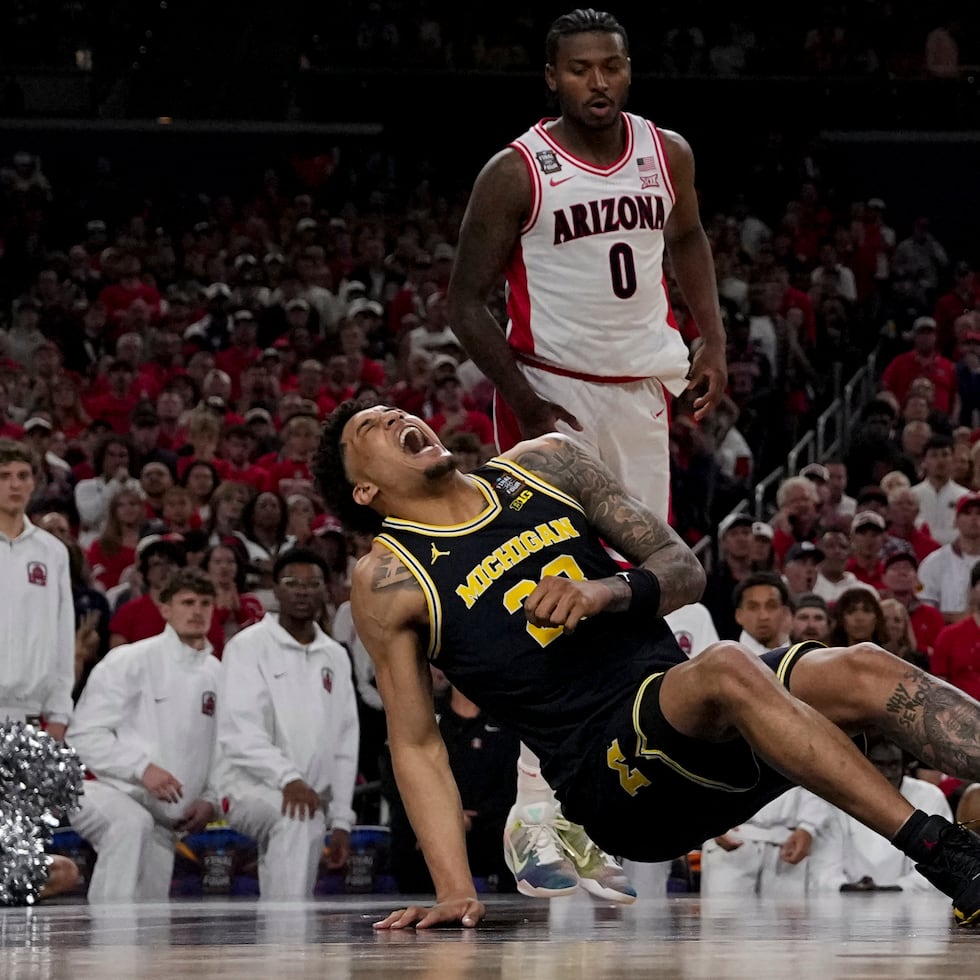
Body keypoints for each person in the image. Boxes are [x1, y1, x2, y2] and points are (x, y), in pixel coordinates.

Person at [316, 402, 980, 930]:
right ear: (364, 488)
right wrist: (454, 889)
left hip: (694, 715)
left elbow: (684, 569)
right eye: (371, 427)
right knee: (725, 665)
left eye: (396, 411)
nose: (396, 418)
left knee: (863, 667)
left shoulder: (546, 463)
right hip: (613, 781)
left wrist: (604, 592)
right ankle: (948, 856)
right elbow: (416, 742)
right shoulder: (389, 580)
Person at [444, 9, 728, 901]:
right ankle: (533, 810)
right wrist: (527, 402)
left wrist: (712, 336)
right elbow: (463, 303)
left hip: (640, 389)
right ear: (551, 78)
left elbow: (688, 239)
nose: (597, 82)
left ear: (629, 70)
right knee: (557, 586)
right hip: (553, 395)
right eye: (579, 69)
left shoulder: (666, 151)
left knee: (641, 588)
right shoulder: (515, 171)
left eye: (611, 66)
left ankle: (582, 806)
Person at [66, 568, 223, 902]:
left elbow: (221, 748)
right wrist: (141, 768)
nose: (197, 611)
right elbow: (83, 734)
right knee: (130, 825)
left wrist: (211, 798)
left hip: (166, 818)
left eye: (205, 603)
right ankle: (108, 936)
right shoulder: (130, 660)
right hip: (104, 789)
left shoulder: (218, 673)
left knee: (151, 916)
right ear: (165, 609)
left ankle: (114, 933)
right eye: (187, 602)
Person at [219, 548, 358, 900]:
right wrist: (287, 779)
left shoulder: (335, 655)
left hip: (310, 795)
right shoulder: (247, 647)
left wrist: (342, 819)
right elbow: (239, 732)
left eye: (312, 584)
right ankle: (290, 932)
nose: (302, 592)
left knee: (302, 821)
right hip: (247, 786)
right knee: (297, 818)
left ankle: (283, 925)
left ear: (325, 590)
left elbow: (345, 740)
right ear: (275, 590)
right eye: (292, 583)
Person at [810, 737, 953, 894]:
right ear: (864, 765)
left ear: (905, 766)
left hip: (912, 902)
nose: (888, 773)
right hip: (847, 900)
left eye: (894, 764)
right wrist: (852, 889)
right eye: (879, 765)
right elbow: (823, 870)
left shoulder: (930, 796)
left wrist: (890, 890)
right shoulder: (840, 798)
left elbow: (938, 867)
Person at [0, 438, 74, 741]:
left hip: (29, 715)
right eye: (4, 476)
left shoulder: (52, 552)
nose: (14, 485)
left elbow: (63, 634)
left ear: (34, 483)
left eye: (23, 476)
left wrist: (59, 713)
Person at [918, 492, 980, 622]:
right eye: (967, 513)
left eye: (979, 513)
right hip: (945, 630)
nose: (974, 518)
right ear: (955, 521)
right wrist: (961, 620)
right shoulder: (933, 562)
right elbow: (924, 610)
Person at [733, 571, 791, 654]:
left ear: (785, 613)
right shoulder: (722, 659)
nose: (763, 616)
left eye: (771, 606)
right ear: (738, 615)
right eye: (753, 607)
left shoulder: (802, 657)